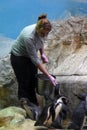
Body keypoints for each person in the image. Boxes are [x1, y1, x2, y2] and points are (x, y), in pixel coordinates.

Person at [10, 14, 57, 106]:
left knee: (33, 80)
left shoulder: (43, 31)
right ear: (38, 29)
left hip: (29, 56)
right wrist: (48, 76)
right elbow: (35, 59)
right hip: (19, 57)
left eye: (47, 34)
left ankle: (34, 104)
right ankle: (25, 106)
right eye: (43, 34)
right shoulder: (29, 37)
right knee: (24, 82)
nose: (45, 35)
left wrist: (42, 53)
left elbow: (41, 41)